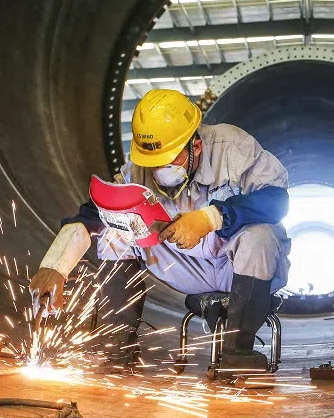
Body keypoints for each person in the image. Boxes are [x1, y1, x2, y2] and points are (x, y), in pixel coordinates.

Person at [29, 89, 291, 370]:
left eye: (169, 161)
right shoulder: (139, 168)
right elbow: (95, 213)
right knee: (114, 234)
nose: (159, 172)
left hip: (241, 266)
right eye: (153, 164)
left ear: (196, 146)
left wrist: (210, 218)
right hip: (187, 267)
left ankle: (237, 354)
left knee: (260, 235)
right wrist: (55, 265)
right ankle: (118, 350)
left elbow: (276, 201)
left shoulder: (234, 148)